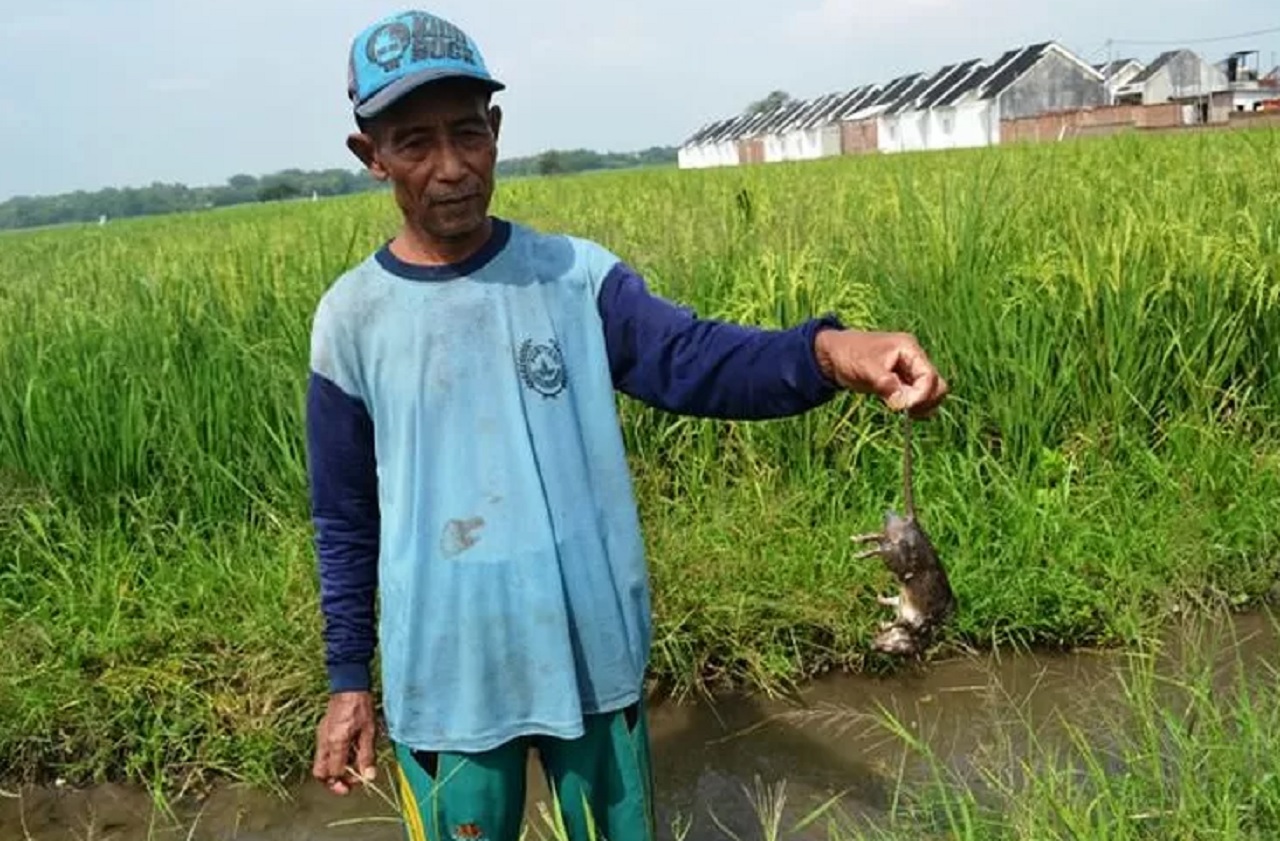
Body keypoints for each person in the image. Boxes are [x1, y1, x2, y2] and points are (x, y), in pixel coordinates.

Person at [306, 9, 949, 841]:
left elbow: (695, 358)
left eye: (468, 133)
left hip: (589, 654)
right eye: (415, 143)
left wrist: (831, 352)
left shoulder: (574, 279)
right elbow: (345, 516)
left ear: (496, 131)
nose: (452, 166)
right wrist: (349, 679)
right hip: (448, 671)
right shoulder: (352, 318)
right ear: (372, 156)